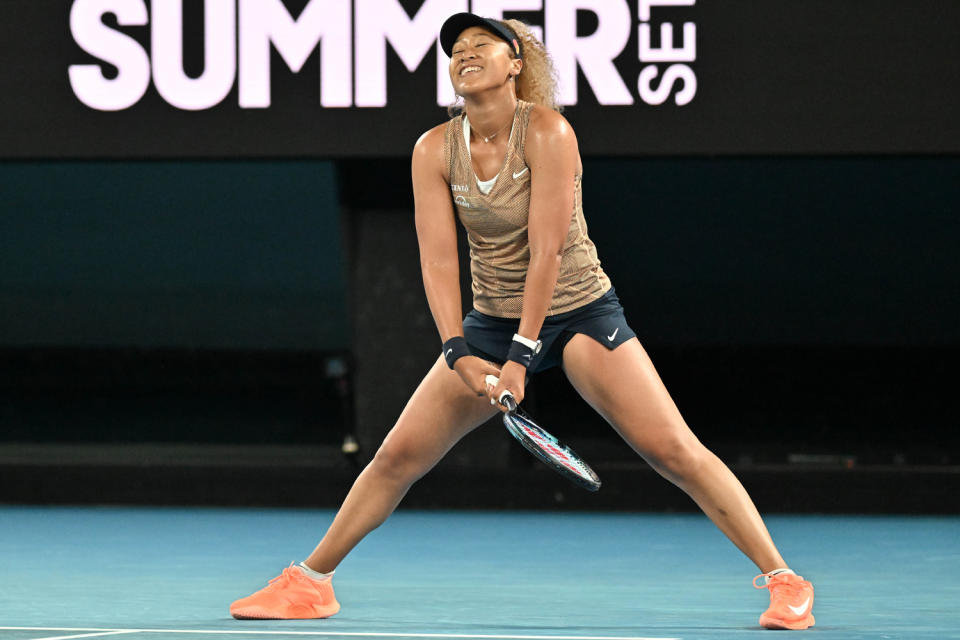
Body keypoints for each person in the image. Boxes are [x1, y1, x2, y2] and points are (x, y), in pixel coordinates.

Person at [229, 13, 815, 631]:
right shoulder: (434, 149)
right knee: (396, 457)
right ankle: (311, 584)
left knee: (673, 450)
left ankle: (785, 580)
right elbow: (436, 259)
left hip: (580, 311)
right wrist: (458, 351)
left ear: (515, 65)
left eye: (481, 45)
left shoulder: (548, 132)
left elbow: (548, 251)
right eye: (456, 50)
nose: (465, 54)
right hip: (490, 319)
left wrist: (520, 357)